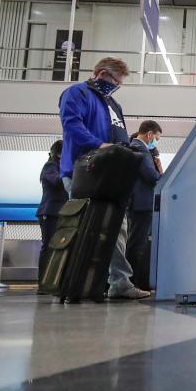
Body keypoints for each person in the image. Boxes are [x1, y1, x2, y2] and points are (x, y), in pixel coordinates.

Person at [57, 56, 150, 300]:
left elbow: (118, 136)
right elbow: (72, 126)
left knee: (118, 227)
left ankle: (120, 282)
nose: (116, 85)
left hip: (111, 174)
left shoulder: (112, 103)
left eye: (120, 83)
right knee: (84, 228)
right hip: (84, 172)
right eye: (114, 80)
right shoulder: (76, 94)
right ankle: (74, 282)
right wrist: (100, 145)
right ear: (100, 73)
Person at [127, 121, 163, 289]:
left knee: (137, 241)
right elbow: (151, 176)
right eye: (156, 137)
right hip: (141, 203)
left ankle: (133, 280)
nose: (155, 141)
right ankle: (133, 281)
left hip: (140, 203)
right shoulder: (140, 149)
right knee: (137, 243)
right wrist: (159, 171)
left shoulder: (136, 147)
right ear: (149, 134)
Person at [36, 139, 68, 281]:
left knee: (58, 248)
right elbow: (56, 182)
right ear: (60, 153)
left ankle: (54, 280)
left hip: (61, 213)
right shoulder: (50, 166)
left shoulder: (60, 166)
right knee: (48, 247)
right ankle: (43, 281)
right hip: (49, 212)